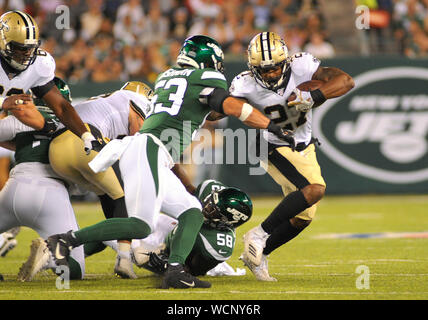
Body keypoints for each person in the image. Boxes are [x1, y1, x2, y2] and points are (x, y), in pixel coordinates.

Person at [34, 35, 295, 289]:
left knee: (192, 211)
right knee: (140, 225)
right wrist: (272, 125)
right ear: (207, 61)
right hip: (149, 150)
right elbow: (231, 108)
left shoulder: (167, 76)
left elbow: (206, 109)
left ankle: (175, 271)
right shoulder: (204, 78)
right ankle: (64, 241)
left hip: (152, 153)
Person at [230, 32, 354, 281]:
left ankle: (260, 253)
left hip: (304, 145)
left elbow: (346, 81)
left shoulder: (303, 65)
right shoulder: (243, 83)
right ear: (252, 68)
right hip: (272, 145)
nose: (270, 75)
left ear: (285, 62)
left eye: (275, 69)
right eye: (263, 71)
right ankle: (259, 234)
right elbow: (221, 110)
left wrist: (314, 96)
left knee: (303, 216)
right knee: (315, 189)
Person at [47, 81, 153, 279]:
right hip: (83, 140)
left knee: (110, 194)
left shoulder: (108, 101)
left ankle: (48, 259)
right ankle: (124, 258)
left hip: (56, 152)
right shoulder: (134, 100)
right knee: (126, 194)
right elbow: (138, 132)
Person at [0, 77, 85, 281]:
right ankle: (49, 256)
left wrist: (4, 108)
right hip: (50, 193)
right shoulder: (75, 123)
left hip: (13, 188)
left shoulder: (21, 119)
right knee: (75, 269)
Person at [0, 11, 102, 155]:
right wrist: (3, 102)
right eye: (21, 49)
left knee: (47, 125)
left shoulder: (40, 63)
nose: (27, 55)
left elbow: (60, 106)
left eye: (30, 49)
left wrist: (85, 135)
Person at [132, 179, 252, 277]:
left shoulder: (218, 246)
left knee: (135, 253)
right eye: (210, 200)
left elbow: (194, 271)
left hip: (184, 254)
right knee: (139, 218)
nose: (206, 205)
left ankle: (125, 255)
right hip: (175, 229)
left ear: (225, 221)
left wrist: (166, 264)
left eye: (212, 210)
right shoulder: (210, 188)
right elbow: (189, 191)